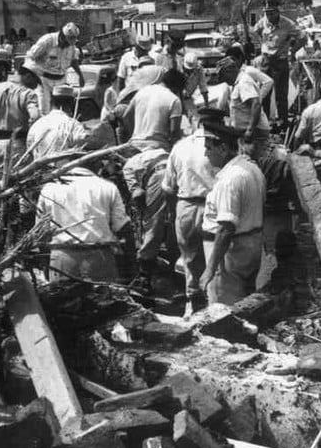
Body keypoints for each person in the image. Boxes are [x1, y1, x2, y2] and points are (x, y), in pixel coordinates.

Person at [162, 108, 221, 316]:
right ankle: (215, 304)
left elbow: (168, 187)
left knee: (190, 259)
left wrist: (173, 213)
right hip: (214, 206)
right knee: (216, 258)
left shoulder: (180, 147)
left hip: (186, 205)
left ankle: (194, 302)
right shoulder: (219, 147)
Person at [199, 122, 266, 305]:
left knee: (223, 305)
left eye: (209, 148)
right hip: (251, 244)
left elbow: (226, 228)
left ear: (222, 148)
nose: (206, 154)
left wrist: (210, 269)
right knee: (245, 302)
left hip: (231, 252)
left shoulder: (229, 180)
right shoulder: (252, 168)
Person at [38, 159, 135, 283]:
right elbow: (122, 227)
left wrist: (46, 265)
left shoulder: (49, 189)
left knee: (63, 295)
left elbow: (41, 234)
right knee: (102, 294)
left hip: (63, 257)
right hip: (100, 257)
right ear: (96, 163)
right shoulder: (107, 187)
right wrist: (131, 265)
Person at [122, 144, 173, 294]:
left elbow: (138, 194)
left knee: (153, 225)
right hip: (178, 172)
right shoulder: (160, 151)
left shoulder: (129, 164)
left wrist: (144, 213)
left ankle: (144, 277)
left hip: (159, 176)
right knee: (175, 223)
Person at [252, 0, 307, 129]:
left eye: (271, 13)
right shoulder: (263, 22)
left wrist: (293, 51)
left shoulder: (288, 24)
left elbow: (303, 38)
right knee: (264, 93)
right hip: (265, 61)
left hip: (280, 61)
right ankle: (265, 122)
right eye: (267, 13)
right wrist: (263, 44)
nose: (269, 16)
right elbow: (255, 32)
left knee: (281, 94)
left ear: (277, 12)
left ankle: (283, 123)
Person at [24, 22, 84, 114]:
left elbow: (73, 61)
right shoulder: (47, 41)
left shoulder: (71, 46)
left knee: (62, 112)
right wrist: (33, 75)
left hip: (61, 81)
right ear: (62, 36)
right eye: (67, 41)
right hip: (44, 81)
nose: (68, 45)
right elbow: (30, 56)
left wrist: (80, 75)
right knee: (44, 111)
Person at [121, 69, 185, 152]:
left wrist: (136, 136)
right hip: (158, 147)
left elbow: (126, 116)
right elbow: (174, 132)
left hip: (135, 145)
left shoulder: (142, 91)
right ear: (177, 88)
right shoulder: (174, 99)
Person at [0, 65, 41, 158]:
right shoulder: (28, 94)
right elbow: (34, 117)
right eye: (36, 81)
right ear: (28, 76)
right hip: (18, 143)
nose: (36, 86)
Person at [26, 85, 89, 159]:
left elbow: (29, 150)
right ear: (73, 103)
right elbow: (83, 147)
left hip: (39, 165)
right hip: (66, 166)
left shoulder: (37, 125)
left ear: (51, 102)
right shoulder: (74, 125)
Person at [182, 52, 210, 125]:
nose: (189, 70)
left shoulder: (199, 70)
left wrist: (207, 105)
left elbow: (203, 87)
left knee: (194, 119)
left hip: (188, 98)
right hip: (177, 97)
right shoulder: (178, 67)